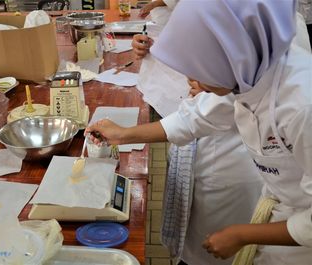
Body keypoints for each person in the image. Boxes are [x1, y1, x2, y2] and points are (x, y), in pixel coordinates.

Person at [148, 0, 312, 264]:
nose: (193, 83)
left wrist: (242, 234)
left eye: (201, 70)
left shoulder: (303, 106)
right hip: (280, 210)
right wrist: (122, 135)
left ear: (234, 54)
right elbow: (198, 116)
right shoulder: (251, 74)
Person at [130, 12, 262, 265]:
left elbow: (204, 113)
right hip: (201, 142)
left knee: (217, 251)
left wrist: (211, 83)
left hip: (228, 162)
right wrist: (157, 48)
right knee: (193, 243)